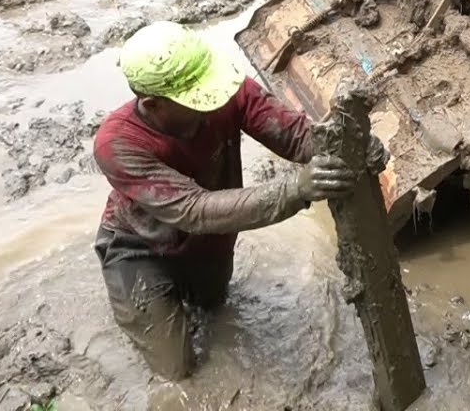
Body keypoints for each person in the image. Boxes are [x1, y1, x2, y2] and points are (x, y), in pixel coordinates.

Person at [91, 21, 385, 380]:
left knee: (215, 307)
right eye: (195, 97)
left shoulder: (230, 91)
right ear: (153, 105)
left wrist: (348, 146)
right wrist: (297, 189)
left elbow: (293, 135)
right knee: (178, 371)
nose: (211, 100)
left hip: (210, 241)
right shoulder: (118, 143)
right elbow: (193, 210)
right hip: (142, 248)